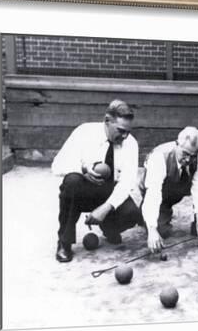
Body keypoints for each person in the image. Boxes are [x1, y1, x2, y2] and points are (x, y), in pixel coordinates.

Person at [51, 99, 141, 262]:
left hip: (109, 192)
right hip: (84, 191)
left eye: (128, 131)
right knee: (71, 181)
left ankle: (108, 227)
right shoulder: (84, 132)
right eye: (121, 130)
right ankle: (64, 242)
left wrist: (106, 208)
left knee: (132, 213)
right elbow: (57, 165)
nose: (125, 136)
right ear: (107, 120)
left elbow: (127, 183)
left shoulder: (131, 143)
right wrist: (83, 169)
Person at [140, 127, 198, 254]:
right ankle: (147, 216)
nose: (188, 160)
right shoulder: (159, 157)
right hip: (160, 191)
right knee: (161, 231)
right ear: (177, 144)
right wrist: (152, 229)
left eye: (193, 156)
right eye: (185, 154)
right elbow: (153, 193)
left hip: (180, 185)